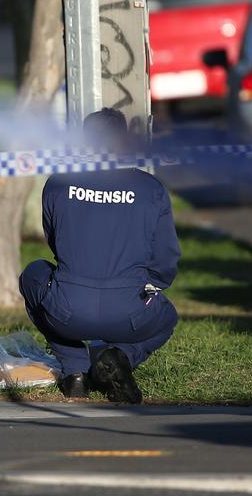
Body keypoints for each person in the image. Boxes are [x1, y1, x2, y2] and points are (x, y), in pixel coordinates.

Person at [19, 108, 180, 403]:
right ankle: (119, 355)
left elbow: (54, 241)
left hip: (67, 309)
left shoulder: (58, 183)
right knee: (167, 315)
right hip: (131, 312)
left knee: (33, 274)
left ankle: (75, 371)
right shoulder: (150, 189)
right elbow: (166, 259)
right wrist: (145, 289)